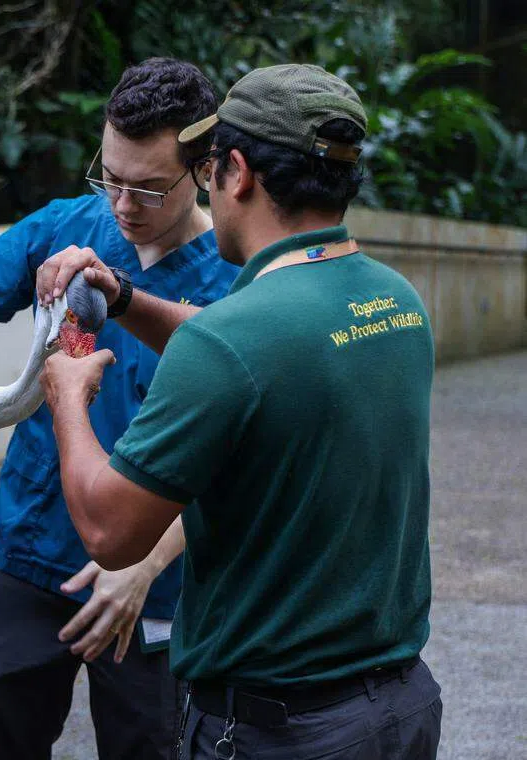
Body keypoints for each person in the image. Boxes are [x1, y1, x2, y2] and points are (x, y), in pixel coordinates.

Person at [37, 63, 442, 759]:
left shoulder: (231, 342)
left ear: (239, 173)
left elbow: (110, 533)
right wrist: (129, 300)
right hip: (397, 709)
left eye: (208, 166)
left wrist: (67, 398)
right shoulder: (395, 302)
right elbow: (259, 360)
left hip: (276, 727)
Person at [0, 58, 239, 759]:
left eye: (147, 189)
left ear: (206, 170)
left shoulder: (237, 278)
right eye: (110, 177)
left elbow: (241, 450)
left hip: (158, 583)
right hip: (29, 548)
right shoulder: (63, 229)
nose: (121, 206)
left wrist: (142, 563)